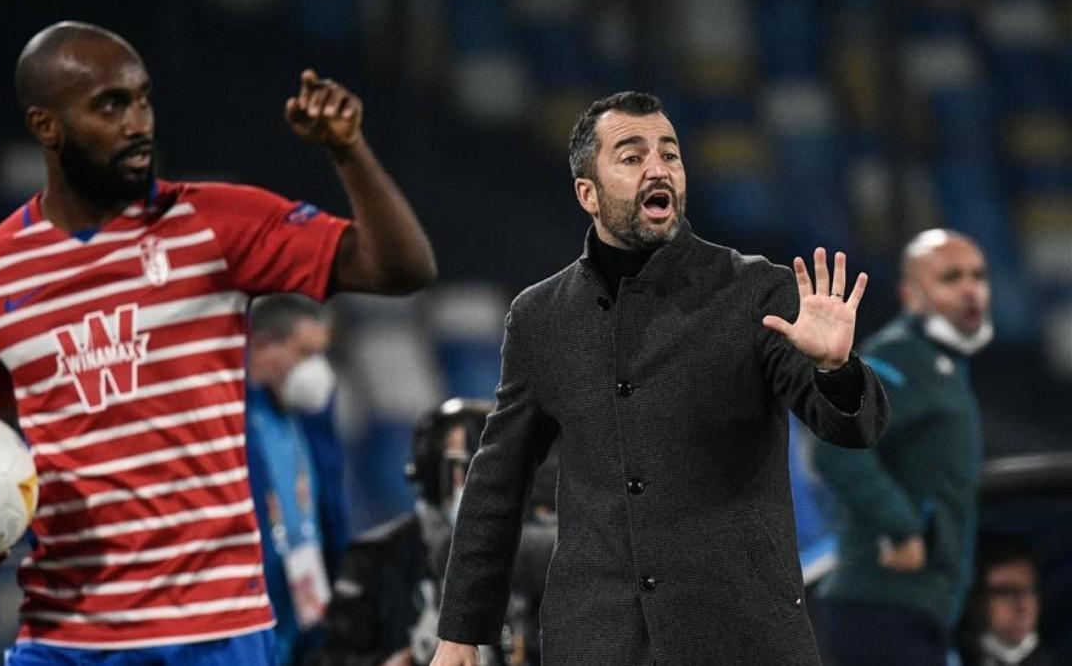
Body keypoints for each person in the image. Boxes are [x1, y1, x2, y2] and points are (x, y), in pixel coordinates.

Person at [0, 20, 436, 665]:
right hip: (64, 641)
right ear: (46, 126)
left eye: (143, 99)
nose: (139, 122)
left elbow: (402, 268)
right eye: (110, 106)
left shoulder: (216, 222)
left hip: (213, 636)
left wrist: (349, 152)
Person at [431, 91, 888, 666]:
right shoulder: (541, 316)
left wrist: (836, 370)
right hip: (598, 643)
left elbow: (850, 427)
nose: (658, 168)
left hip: (740, 639)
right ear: (587, 194)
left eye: (669, 155)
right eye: (631, 156)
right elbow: (498, 480)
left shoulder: (757, 292)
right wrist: (460, 633)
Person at [811, 229, 992, 666]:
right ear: (911, 296)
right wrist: (903, 527)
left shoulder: (942, 364)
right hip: (882, 600)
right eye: (951, 278)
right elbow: (836, 446)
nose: (970, 289)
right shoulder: (899, 358)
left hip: (916, 604)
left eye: (978, 275)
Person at [311, 398, 556, 666]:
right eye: (463, 467)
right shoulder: (377, 556)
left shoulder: (533, 552)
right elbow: (329, 657)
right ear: (430, 471)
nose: (477, 482)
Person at [246, 294, 348, 665]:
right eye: (306, 353)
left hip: (300, 628)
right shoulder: (234, 421)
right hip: (250, 627)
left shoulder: (304, 420)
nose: (317, 369)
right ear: (263, 346)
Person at [959, 538, 1053, 666]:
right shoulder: (947, 655)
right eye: (1006, 593)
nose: (1023, 606)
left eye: (1031, 591)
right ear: (977, 601)